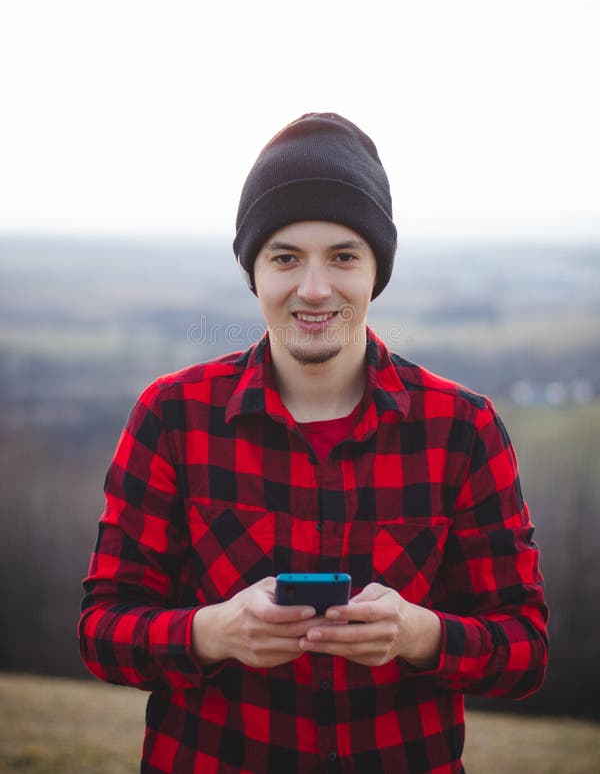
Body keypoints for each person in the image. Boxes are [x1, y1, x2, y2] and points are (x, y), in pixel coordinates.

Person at [79, 113, 548, 773]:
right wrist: (213, 632)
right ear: (255, 273)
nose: (315, 288)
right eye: (286, 257)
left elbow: (525, 650)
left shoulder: (463, 430)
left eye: (343, 256)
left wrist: (422, 634)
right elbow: (101, 632)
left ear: (376, 269)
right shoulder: (173, 417)